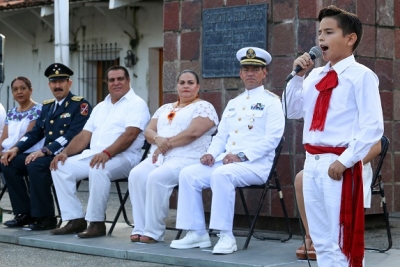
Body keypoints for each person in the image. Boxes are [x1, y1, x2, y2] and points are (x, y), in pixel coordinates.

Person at [283, 5, 383, 267]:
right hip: (312, 162)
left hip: (339, 163)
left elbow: (373, 127)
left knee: (341, 239)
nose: (321, 39)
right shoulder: (315, 75)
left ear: (350, 38)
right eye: (319, 33)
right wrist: (296, 78)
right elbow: (293, 111)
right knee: (321, 238)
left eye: (329, 32)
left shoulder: (361, 76)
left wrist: (346, 160)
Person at [170, 47, 285, 254]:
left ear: (264, 73)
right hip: (226, 161)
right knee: (188, 174)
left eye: (255, 69)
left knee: (222, 175)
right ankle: (197, 233)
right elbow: (221, 136)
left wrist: (241, 156)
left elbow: (272, 139)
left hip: (255, 165)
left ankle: (225, 236)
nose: (250, 73)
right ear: (240, 74)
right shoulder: (234, 103)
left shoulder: (272, 102)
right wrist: (211, 154)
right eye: (246, 69)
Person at [50, 65, 150, 238]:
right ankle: (75, 219)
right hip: (95, 154)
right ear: (107, 82)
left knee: (98, 168)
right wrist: (65, 152)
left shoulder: (137, 104)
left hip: (126, 157)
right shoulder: (100, 107)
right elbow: (84, 135)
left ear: (128, 81)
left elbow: (130, 134)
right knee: (60, 166)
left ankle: (96, 223)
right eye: (112, 80)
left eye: (120, 79)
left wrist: (107, 153)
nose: (116, 83)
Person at [128, 69, 219, 243]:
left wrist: (163, 146)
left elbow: (193, 132)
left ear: (198, 86)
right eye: (182, 82)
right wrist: (157, 138)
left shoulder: (204, 107)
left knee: (156, 177)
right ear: (177, 86)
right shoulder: (165, 108)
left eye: (190, 83)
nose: (186, 86)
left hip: (188, 158)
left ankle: (153, 232)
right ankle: (140, 227)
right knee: (136, 175)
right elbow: (148, 130)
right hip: (159, 158)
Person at [0, 63, 91, 230]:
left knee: (36, 165)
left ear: (69, 83)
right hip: (47, 153)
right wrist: (16, 148)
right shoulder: (48, 106)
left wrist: (45, 150)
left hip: (69, 153)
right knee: (9, 162)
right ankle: (24, 213)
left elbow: (73, 134)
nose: (57, 86)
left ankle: (46, 217)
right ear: (49, 85)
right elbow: (35, 133)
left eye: (61, 81)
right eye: (54, 82)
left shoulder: (80, 105)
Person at [294, 141, 381, 260]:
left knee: (339, 247)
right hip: (322, 165)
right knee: (300, 179)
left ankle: (330, 241)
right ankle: (311, 235)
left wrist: (346, 163)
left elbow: (376, 146)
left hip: (351, 166)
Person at [0, 77, 44, 189]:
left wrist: (9, 152)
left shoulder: (39, 110)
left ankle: (23, 206)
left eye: (23, 88)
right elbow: (4, 137)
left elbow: (28, 137)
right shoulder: (11, 112)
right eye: (15, 89)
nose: (19, 92)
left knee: (9, 164)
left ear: (31, 90)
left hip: (26, 152)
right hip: (8, 152)